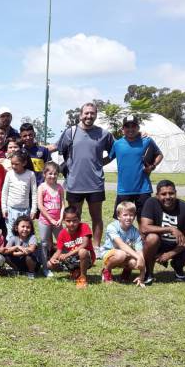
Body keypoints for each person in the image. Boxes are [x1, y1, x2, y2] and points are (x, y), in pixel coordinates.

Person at [56, 102, 114, 257]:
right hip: (74, 183)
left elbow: (115, 151)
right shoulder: (71, 132)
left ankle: (95, 247)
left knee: (97, 217)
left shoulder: (104, 134)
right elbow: (60, 149)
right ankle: (75, 246)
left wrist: (102, 162)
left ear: (96, 115)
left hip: (95, 183)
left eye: (92, 113)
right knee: (74, 218)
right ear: (80, 115)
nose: (89, 116)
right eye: (86, 113)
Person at [140, 180, 185, 284]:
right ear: (157, 195)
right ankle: (149, 273)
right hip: (158, 244)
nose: (168, 197)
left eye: (171, 193)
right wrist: (170, 228)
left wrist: (170, 254)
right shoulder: (151, 202)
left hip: (179, 245)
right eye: (163, 194)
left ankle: (177, 264)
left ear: (176, 193)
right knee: (152, 238)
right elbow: (144, 228)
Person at [109, 115, 163, 220]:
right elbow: (109, 158)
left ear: (138, 127)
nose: (130, 129)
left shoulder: (147, 141)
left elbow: (159, 155)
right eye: (127, 126)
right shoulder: (117, 144)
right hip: (124, 190)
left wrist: (152, 166)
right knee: (121, 223)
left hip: (143, 190)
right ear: (122, 129)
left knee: (145, 222)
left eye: (133, 126)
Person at [48, 206, 96, 289]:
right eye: (68, 221)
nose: (71, 223)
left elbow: (84, 244)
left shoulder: (84, 227)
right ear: (63, 221)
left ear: (79, 219)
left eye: (74, 221)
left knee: (82, 251)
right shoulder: (62, 233)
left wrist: (67, 254)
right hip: (72, 259)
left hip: (87, 258)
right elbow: (59, 250)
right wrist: (52, 259)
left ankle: (83, 278)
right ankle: (75, 272)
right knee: (49, 264)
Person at [101, 201, 145, 286]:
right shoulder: (112, 227)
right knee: (121, 254)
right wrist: (138, 256)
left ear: (135, 216)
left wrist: (142, 275)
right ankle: (106, 270)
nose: (128, 218)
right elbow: (121, 245)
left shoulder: (135, 232)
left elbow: (140, 252)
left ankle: (126, 271)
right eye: (125, 215)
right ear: (118, 216)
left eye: (131, 215)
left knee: (135, 262)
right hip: (109, 253)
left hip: (126, 255)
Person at [37, 161, 65, 278]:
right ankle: (45, 267)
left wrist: (61, 218)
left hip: (57, 221)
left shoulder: (59, 187)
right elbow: (40, 205)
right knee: (44, 244)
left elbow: (63, 203)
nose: (53, 176)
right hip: (45, 221)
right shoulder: (42, 187)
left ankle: (60, 263)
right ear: (44, 174)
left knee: (61, 243)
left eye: (55, 174)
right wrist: (50, 219)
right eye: (50, 174)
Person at [1, 151, 37, 239]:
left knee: (24, 234)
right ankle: (10, 252)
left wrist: (33, 210)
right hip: (10, 210)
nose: (13, 166)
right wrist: (4, 208)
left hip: (25, 211)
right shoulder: (9, 174)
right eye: (12, 164)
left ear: (24, 163)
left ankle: (24, 251)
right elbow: (4, 192)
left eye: (16, 164)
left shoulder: (30, 174)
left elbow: (34, 193)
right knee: (11, 235)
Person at [5, 215, 40, 279]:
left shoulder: (32, 237)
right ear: (16, 228)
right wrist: (16, 247)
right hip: (18, 261)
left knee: (29, 256)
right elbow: (6, 250)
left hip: (31, 263)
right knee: (6, 256)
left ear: (31, 229)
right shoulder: (13, 238)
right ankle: (17, 270)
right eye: (23, 226)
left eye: (28, 227)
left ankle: (31, 272)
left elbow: (31, 249)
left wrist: (15, 253)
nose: (25, 229)